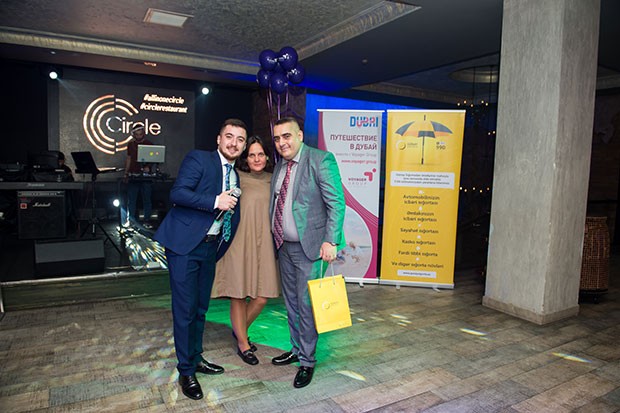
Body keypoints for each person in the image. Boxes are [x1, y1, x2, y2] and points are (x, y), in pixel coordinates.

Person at [153, 118, 248, 401]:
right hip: (184, 246)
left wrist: (219, 245)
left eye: (240, 139)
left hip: (209, 248)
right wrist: (215, 201)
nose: (233, 143)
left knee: (200, 309)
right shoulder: (200, 159)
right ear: (218, 139)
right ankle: (185, 371)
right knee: (184, 310)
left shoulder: (235, 174)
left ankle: (195, 358)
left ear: (244, 146)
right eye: (229, 136)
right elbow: (178, 193)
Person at [269, 117, 345, 388]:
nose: (282, 143)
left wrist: (331, 241)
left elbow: (336, 203)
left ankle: (307, 361)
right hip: (284, 246)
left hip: (310, 247)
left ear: (300, 135)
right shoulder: (280, 165)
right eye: (277, 138)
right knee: (291, 302)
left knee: (307, 304)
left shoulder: (321, 160)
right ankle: (296, 348)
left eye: (286, 136)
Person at [212, 135, 280, 366]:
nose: (256, 159)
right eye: (252, 155)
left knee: (262, 297)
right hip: (239, 242)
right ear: (245, 158)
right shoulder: (236, 177)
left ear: (267, 157)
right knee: (239, 294)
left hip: (265, 243)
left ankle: (239, 330)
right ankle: (243, 343)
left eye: (260, 154)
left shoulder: (274, 179)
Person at [124, 123, 154, 228]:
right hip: (134, 175)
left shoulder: (149, 144)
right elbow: (129, 158)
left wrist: (148, 166)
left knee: (147, 199)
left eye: (140, 134)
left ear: (143, 133)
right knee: (131, 200)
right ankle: (131, 221)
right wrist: (126, 173)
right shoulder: (130, 144)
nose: (139, 136)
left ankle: (147, 220)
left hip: (145, 176)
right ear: (133, 134)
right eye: (136, 134)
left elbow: (153, 158)